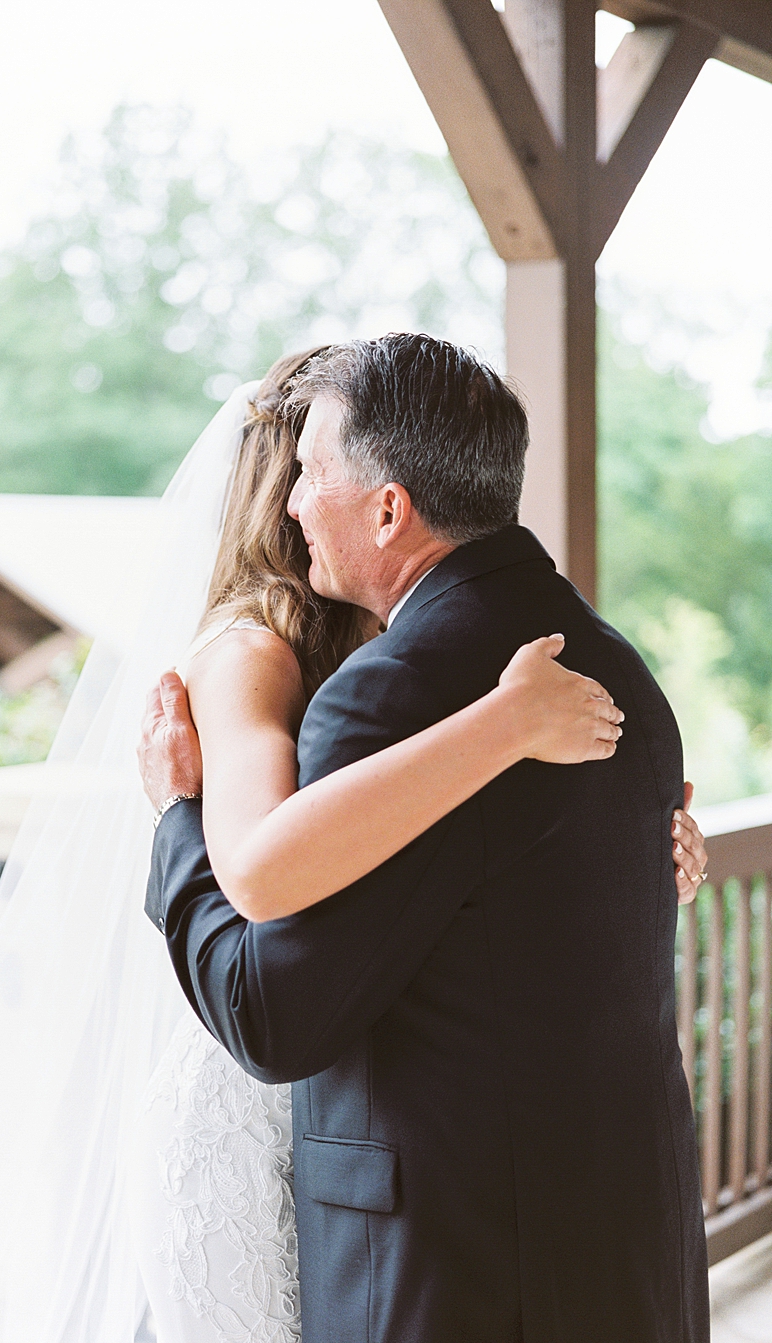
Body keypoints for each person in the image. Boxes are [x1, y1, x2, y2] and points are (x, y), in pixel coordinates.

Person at [139, 334, 710, 1343]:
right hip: (626, 1237)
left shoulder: (392, 693)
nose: (293, 501)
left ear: (389, 505)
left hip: (461, 1267)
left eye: (312, 474)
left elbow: (271, 1012)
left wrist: (178, 818)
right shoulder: (620, 666)